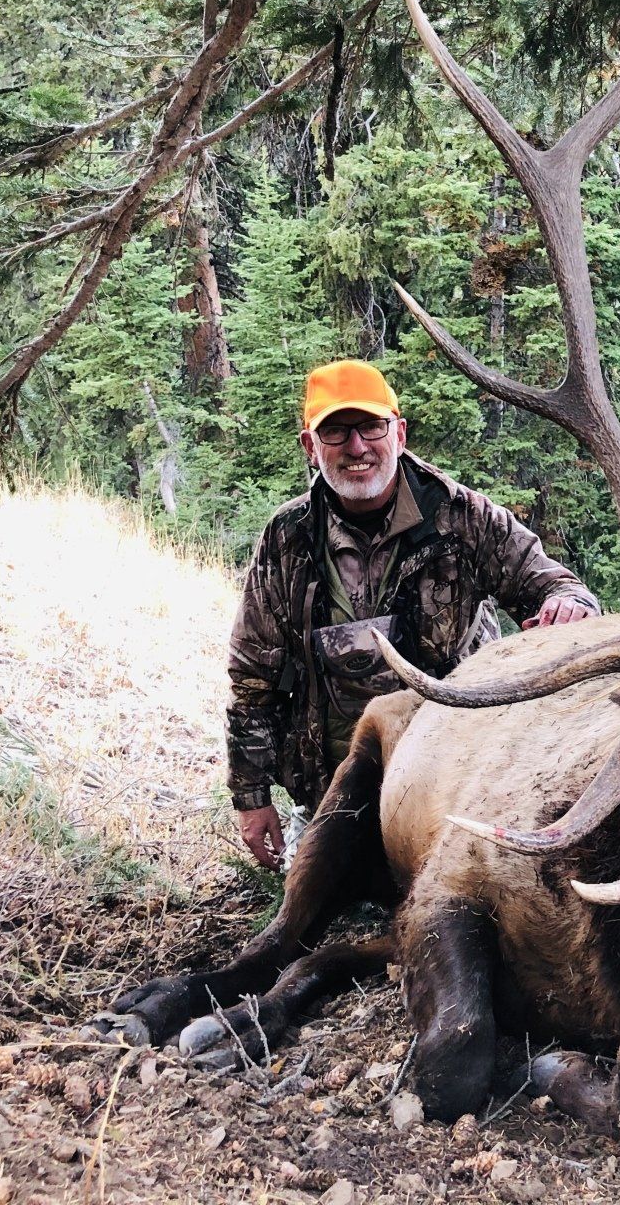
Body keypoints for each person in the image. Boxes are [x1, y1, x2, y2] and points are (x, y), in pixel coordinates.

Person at [226, 359, 601, 866]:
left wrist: (568, 605)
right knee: (313, 912)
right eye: (335, 432)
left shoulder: (464, 517)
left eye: (370, 426)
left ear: (399, 432)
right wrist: (251, 799)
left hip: (446, 786)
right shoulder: (286, 538)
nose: (356, 447)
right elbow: (252, 677)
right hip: (330, 793)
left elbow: (559, 587)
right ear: (310, 448)